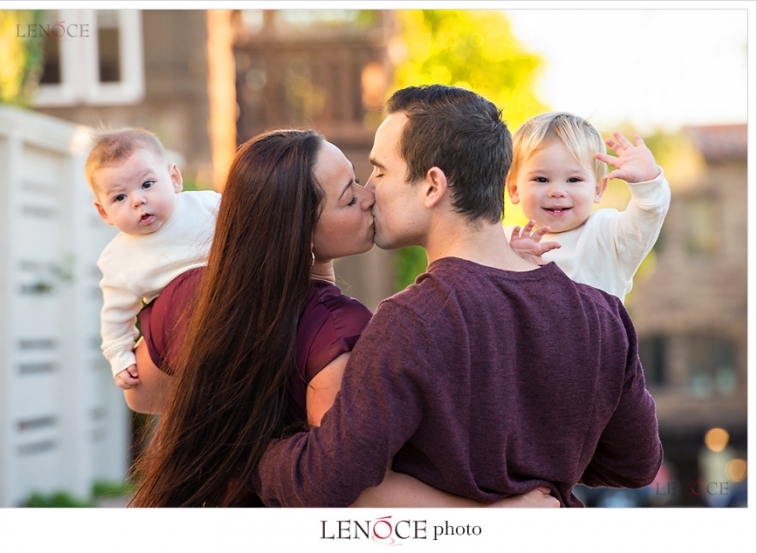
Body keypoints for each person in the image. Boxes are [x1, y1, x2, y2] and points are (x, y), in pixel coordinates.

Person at [249, 85, 663, 508]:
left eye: (380, 171)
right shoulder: (604, 315)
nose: (370, 190)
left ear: (432, 186)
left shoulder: (412, 320)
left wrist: (253, 455)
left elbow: (324, 482)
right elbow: (634, 463)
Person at [127, 129, 557, 508]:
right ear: (299, 231)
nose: (370, 195)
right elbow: (353, 488)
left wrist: (233, 416)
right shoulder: (337, 329)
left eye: (358, 178)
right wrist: (494, 519)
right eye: (350, 197)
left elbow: (140, 394)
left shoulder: (191, 291)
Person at [86, 128, 219, 389]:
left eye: (147, 184)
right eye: (119, 197)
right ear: (104, 212)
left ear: (174, 178)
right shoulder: (118, 259)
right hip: (181, 335)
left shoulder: (209, 206)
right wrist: (120, 357)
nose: (138, 200)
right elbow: (116, 315)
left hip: (233, 300)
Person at [505, 111, 671, 302]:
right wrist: (512, 265)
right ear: (514, 189)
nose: (557, 191)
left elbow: (649, 213)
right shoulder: (505, 242)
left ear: (598, 188)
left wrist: (648, 182)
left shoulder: (608, 236)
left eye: (573, 179)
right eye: (541, 179)